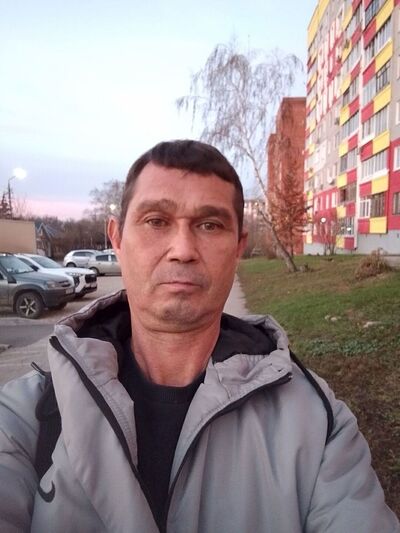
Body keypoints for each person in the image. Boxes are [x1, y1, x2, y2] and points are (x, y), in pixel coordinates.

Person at [0, 140, 398, 533]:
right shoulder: (25, 416)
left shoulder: (316, 420)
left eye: (210, 225)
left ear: (238, 247)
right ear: (117, 238)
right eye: (156, 221)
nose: (183, 249)